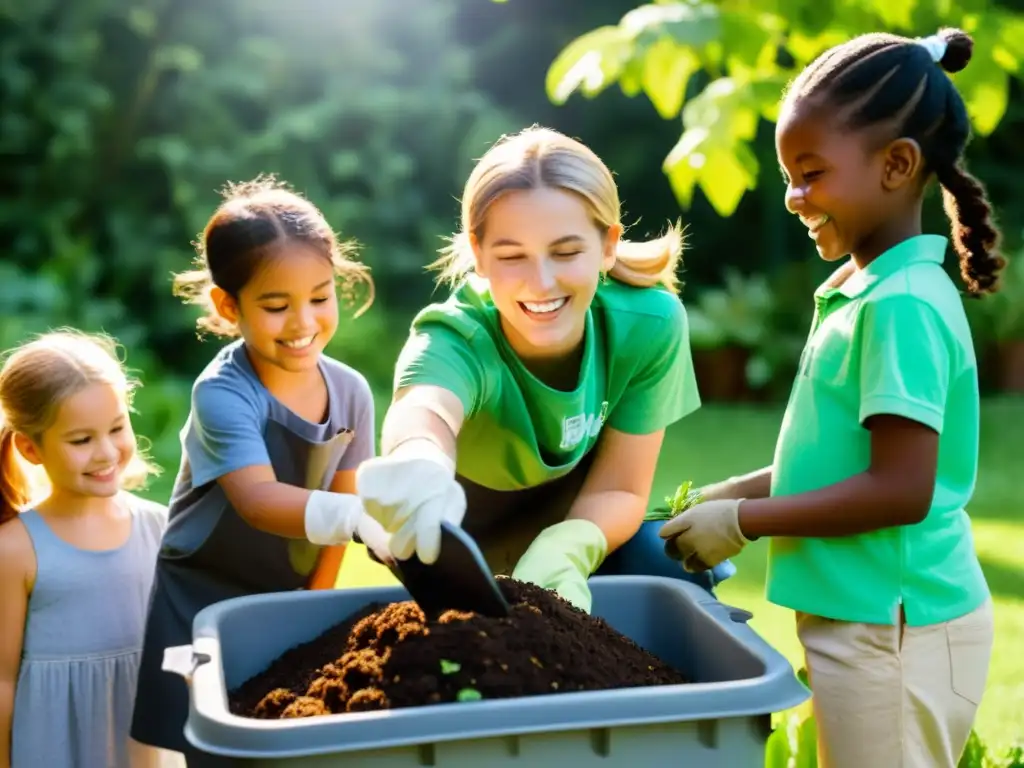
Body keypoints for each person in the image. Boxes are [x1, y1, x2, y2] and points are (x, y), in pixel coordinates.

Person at [660, 28, 1001, 768]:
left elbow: (901, 489)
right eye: (789, 173)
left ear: (897, 165)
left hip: (896, 628)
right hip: (865, 619)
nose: (792, 195)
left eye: (811, 173)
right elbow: (840, 462)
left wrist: (744, 521)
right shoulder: (863, 291)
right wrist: (733, 490)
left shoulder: (902, 305)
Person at [355, 126, 735, 614]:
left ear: (608, 244)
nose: (541, 283)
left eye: (566, 252)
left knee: (665, 562)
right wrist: (417, 465)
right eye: (512, 256)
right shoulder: (456, 338)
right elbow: (425, 411)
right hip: (464, 563)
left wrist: (566, 549)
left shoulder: (648, 324)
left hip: (575, 527)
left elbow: (622, 486)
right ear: (478, 254)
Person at [129, 176, 391, 765]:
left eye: (321, 297)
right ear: (229, 306)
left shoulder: (349, 391)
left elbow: (346, 514)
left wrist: (313, 611)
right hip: (202, 590)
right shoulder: (223, 393)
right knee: (213, 739)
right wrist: (354, 518)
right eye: (276, 306)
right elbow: (259, 499)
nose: (303, 322)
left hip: (287, 586)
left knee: (284, 732)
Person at [0, 330, 172, 768]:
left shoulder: (158, 525)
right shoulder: (16, 548)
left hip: (143, 747)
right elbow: (1, 682)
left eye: (117, 428)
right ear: (29, 448)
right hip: (56, 748)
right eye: (81, 440)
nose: (107, 452)